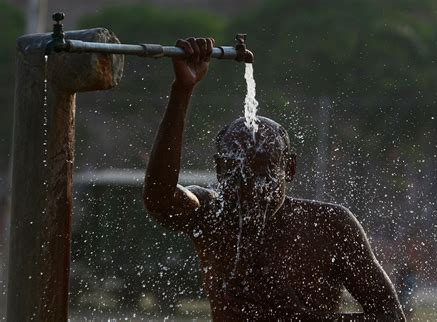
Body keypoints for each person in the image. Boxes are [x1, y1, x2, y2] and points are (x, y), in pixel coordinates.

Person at [143, 37, 405, 321]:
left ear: (289, 169)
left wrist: (298, 317)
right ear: (218, 170)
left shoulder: (330, 226)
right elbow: (159, 198)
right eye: (234, 169)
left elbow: (390, 316)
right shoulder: (211, 214)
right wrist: (182, 89)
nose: (248, 184)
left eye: (262, 169)